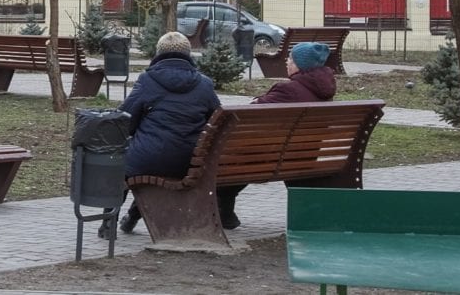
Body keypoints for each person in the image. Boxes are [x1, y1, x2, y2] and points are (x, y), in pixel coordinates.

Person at [215, 41, 336, 230]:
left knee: (236, 160)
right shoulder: (323, 90)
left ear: (299, 65)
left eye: (291, 58)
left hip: (279, 156)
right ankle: (225, 213)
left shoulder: (288, 90)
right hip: (305, 154)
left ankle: (222, 212)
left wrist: (257, 101)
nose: (287, 61)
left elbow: (248, 114)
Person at [112, 31, 221, 238]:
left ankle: (109, 222)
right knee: (148, 162)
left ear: (158, 53)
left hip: (148, 159)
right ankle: (132, 217)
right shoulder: (204, 83)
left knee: (122, 166)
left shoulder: (148, 80)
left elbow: (126, 119)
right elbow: (215, 119)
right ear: (189, 54)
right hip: (189, 162)